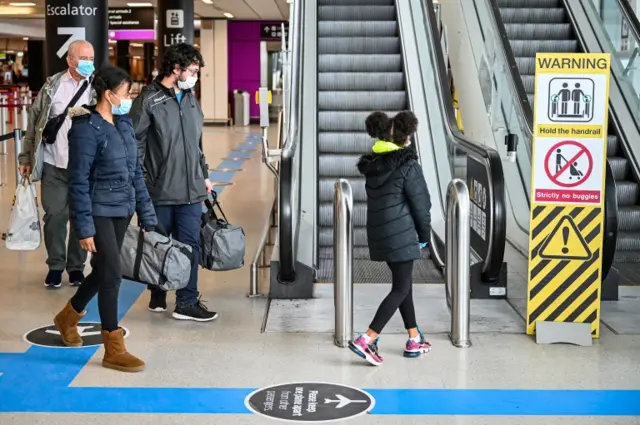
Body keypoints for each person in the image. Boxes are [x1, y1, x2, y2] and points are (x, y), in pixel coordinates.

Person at [53, 65, 157, 373]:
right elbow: (78, 181)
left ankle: (68, 316)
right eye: (125, 93)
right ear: (108, 94)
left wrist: (146, 213)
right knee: (113, 274)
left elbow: (135, 172)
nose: (129, 98)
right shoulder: (85, 128)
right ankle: (113, 347)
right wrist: (83, 227)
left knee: (102, 271)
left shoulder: (123, 124)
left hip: (122, 210)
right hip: (98, 210)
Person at [131, 43, 217, 322]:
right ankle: (158, 290)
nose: (195, 76)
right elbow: (135, 145)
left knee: (189, 245)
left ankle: (187, 301)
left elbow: (197, 143)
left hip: (192, 190)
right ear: (176, 69)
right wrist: (142, 184)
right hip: (160, 190)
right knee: (159, 245)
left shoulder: (191, 98)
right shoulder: (149, 100)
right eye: (192, 70)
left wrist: (203, 173)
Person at [349, 111, 432, 366]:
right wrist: (424, 235)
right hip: (402, 234)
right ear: (406, 137)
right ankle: (368, 338)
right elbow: (422, 205)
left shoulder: (374, 166)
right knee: (401, 287)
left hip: (380, 233)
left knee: (402, 285)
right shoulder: (408, 166)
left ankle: (414, 338)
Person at [18, 40, 96, 289]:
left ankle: (75, 267)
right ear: (70, 60)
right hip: (54, 163)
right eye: (84, 58)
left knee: (80, 217)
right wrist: (26, 158)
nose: (88, 63)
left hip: (84, 167)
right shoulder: (52, 86)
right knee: (54, 216)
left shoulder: (96, 87)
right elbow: (34, 123)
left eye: (91, 58)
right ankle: (55, 265)